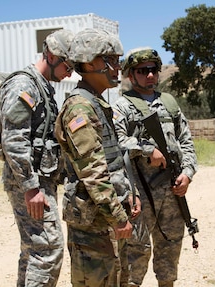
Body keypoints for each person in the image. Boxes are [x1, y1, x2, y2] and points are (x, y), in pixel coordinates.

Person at [54, 28, 138, 287]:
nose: (117, 67)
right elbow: (93, 172)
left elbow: (113, 162)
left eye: (117, 60)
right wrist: (118, 216)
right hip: (92, 225)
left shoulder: (97, 104)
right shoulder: (80, 108)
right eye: (109, 60)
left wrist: (128, 196)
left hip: (107, 218)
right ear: (89, 63)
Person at [0, 29, 75, 287]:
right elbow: (13, 139)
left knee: (35, 250)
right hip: (29, 183)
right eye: (67, 65)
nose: (70, 72)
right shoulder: (25, 85)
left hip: (39, 181)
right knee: (48, 250)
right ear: (50, 55)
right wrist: (31, 187)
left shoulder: (42, 86)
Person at [112, 47, 198, 287]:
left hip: (171, 191)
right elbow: (117, 142)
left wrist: (187, 174)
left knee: (169, 252)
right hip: (140, 192)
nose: (149, 75)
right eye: (142, 71)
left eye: (153, 70)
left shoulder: (169, 103)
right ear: (131, 75)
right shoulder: (123, 106)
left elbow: (186, 141)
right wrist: (147, 149)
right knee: (135, 252)